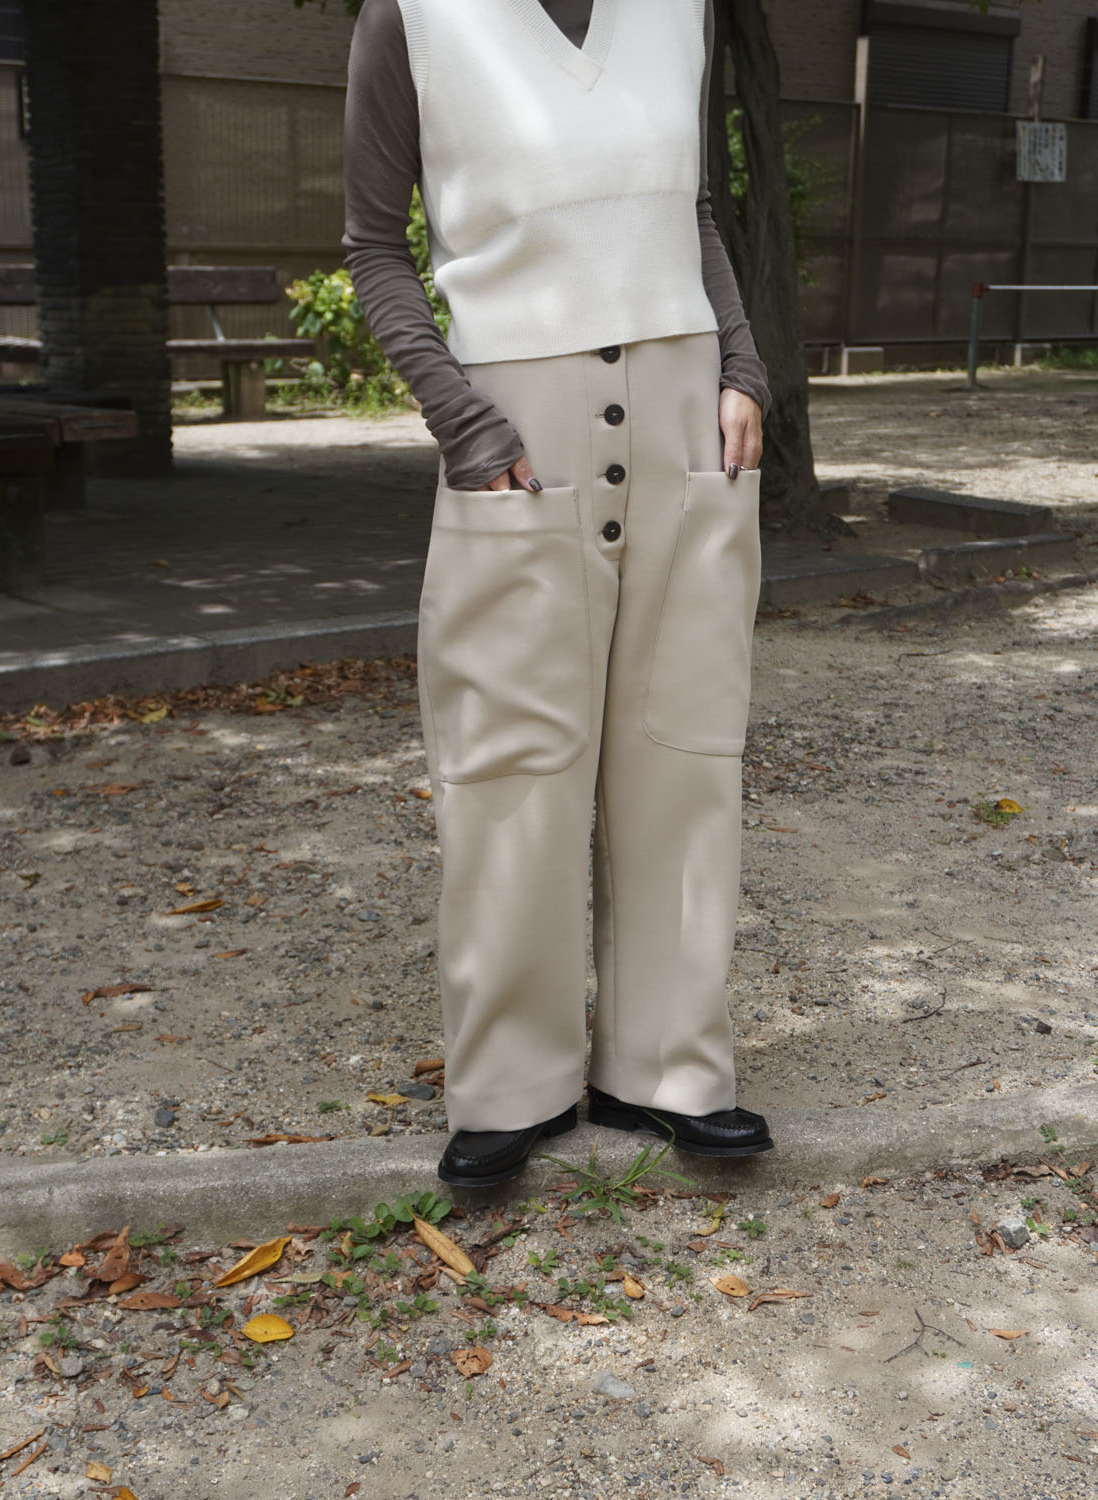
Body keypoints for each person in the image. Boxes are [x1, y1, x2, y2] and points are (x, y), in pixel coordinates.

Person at [342, 0, 775, 1187]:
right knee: (509, 761)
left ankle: (668, 1071)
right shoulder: (413, 17)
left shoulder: (680, 9)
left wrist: (742, 365)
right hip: (516, 436)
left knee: (683, 749)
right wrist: (463, 419)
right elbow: (373, 245)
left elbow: (693, 211)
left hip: (688, 423)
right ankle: (510, 1086)